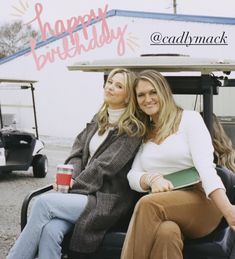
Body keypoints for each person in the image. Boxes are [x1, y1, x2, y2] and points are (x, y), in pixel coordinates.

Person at [7, 68, 145, 259]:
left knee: (44, 204)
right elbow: (78, 152)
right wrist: (69, 177)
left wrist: (75, 184)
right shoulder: (99, 119)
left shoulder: (132, 129)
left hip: (106, 201)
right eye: (110, 82)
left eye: (119, 86)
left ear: (128, 97)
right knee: (50, 230)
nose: (110, 87)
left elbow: (104, 166)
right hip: (84, 194)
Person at [120, 70, 235, 259]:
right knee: (167, 232)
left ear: (164, 92)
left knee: (147, 204)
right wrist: (152, 178)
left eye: (153, 92)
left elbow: (207, 170)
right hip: (166, 204)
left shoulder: (190, 120)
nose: (147, 99)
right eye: (141, 95)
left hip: (201, 201)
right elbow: (133, 176)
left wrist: (228, 210)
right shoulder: (144, 133)